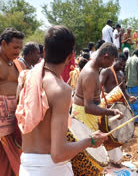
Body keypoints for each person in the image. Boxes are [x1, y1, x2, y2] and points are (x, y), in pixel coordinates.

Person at [16, 25, 108, 176]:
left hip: (26, 165)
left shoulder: (25, 77)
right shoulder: (61, 90)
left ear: (44, 51)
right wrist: (90, 141)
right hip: (50, 169)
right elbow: (58, 154)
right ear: (71, 56)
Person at [72, 42, 123, 133]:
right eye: (112, 61)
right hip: (84, 115)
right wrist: (111, 112)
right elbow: (89, 107)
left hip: (87, 115)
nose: (111, 64)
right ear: (105, 57)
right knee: (88, 146)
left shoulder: (94, 69)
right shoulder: (90, 73)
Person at [99, 53, 136, 163]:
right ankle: (109, 158)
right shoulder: (106, 71)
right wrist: (103, 102)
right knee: (108, 133)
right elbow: (99, 86)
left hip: (119, 107)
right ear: (114, 60)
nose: (121, 66)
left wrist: (129, 98)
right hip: (107, 106)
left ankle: (116, 158)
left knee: (118, 134)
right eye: (120, 64)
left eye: (123, 65)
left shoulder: (120, 73)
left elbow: (123, 90)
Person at [0, 28, 25, 176]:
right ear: (3, 44)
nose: (18, 51)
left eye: (20, 48)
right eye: (15, 47)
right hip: (1, 130)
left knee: (16, 166)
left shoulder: (18, 64)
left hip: (16, 126)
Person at [125, 49, 138, 123]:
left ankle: (131, 117)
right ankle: (137, 119)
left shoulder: (128, 60)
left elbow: (125, 71)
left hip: (129, 83)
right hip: (136, 84)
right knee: (137, 101)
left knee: (130, 101)